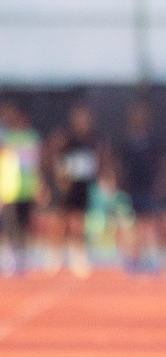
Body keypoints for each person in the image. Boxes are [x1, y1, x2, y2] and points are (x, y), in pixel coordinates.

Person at [48, 104, 112, 278]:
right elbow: (55, 156)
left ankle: (79, 257)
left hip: (83, 187)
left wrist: (104, 178)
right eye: (79, 118)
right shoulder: (67, 139)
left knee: (79, 222)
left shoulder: (94, 140)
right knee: (61, 222)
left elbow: (102, 160)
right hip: (67, 187)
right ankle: (56, 256)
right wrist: (60, 175)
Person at [118, 100, 166, 272]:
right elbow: (120, 165)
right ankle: (135, 259)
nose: (138, 118)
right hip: (132, 188)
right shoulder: (127, 141)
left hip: (149, 187)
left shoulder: (154, 140)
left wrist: (163, 182)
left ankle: (154, 259)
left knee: (151, 223)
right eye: (136, 115)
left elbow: (164, 163)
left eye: (142, 115)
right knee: (133, 225)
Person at [0, 101, 45, 275]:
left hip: (27, 189)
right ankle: (14, 255)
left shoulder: (32, 137)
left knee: (25, 224)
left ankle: (23, 256)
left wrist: (39, 185)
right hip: (10, 190)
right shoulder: (7, 137)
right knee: (11, 224)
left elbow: (36, 164)